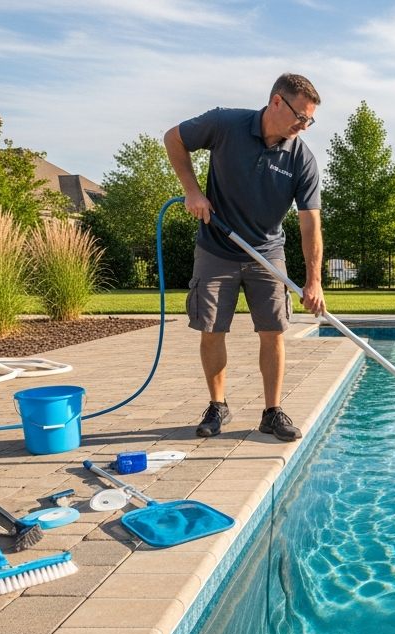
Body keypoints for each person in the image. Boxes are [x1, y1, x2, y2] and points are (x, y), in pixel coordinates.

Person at [163, 73, 326, 442]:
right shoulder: (225, 124)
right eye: (301, 115)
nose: (305, 125)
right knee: (212, 329)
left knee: (273, 332)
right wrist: (192, 191)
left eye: (310, 119)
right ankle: (217, 405)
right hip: (216, 247)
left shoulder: (301, 159)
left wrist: (313, 281)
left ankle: (271, 412)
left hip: (267, 253)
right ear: (276, 102)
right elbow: (174, 138)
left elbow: (310, 225)